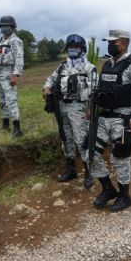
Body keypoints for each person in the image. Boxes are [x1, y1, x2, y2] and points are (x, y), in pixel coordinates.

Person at [88, 30, 131, 212]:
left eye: (113, 43)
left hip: (124, 117)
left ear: (124, 43)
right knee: (89, 151)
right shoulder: (107, 64)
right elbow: (101, 90)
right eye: (109, 42)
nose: (110, 45)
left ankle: (125, 196)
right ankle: (108, 188)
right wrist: (91, 111)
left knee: (120, 158)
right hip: (103, 117)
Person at [43, 34, 97, 188]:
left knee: (81, 140)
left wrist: (91, 110)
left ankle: (88, 173)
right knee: (66, 138)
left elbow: (95, 90)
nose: (73, 50)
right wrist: (46, 88)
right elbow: (51, 80)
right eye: (70, 47)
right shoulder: (62, 67)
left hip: (79, 108)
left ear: (82, 49)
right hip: (61, 107)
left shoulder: (89, 68)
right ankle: (71, 170)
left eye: (77, 47)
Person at [0, 15, 25, 137]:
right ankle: (5, 124)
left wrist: (16, 74)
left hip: (8, 73)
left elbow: (19, 59)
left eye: (6, 26)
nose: (4, 28)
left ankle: (17, 127)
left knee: (11, 101)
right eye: (2, 26)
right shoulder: (1, 41)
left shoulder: (16, 41)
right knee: (2, 101)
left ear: (12, 27)